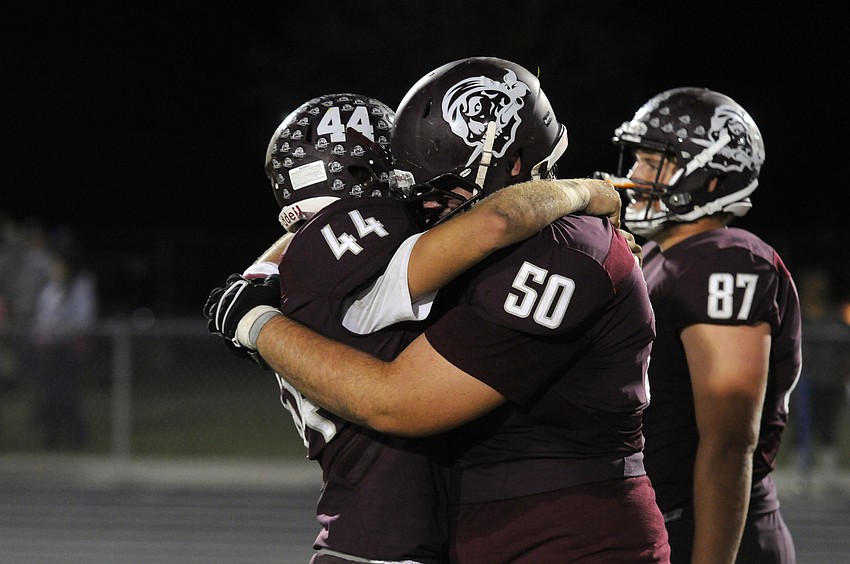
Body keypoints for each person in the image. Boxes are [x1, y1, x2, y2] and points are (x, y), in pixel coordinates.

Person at [206, 57, 670, 563]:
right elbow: (397, 398)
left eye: (441, 189)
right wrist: (585, 190)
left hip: (563, 536)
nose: (425, 210)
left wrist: (249, 305)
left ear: (511, 162)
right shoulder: (376, 258)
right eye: (409, 192)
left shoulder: (566, 250)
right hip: (415, 538)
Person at [606, 87, 801, 563]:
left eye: (655, 163)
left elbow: (729, 437)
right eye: (639, 159)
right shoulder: (657, 254)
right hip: (665, 523)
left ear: (710, 179)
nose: (634, 176)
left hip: (708, 531)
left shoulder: (725, 259)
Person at [30, 244, 98, 447]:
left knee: (67, 395)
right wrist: (41, 336)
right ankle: (52, 436)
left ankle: (79, 436)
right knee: (51, 394)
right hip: (51, 348)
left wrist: (63, 327)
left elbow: (85, 319)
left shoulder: (80, 286)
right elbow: (41, 318)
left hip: (70, 348)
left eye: (58, 265)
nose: (55, 269)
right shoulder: (49, 289)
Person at [791, 268, 850, 493]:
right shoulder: (797, 315)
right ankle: (802, 476)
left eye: (821, 286)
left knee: (828, 427)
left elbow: (845, 348)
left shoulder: (834, 317)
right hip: (802, 381)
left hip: (829, 381)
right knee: (801, 427)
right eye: (812, 285)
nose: (817, 290)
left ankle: (829, 475)